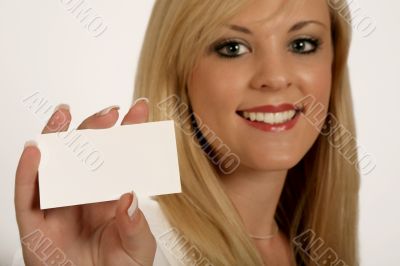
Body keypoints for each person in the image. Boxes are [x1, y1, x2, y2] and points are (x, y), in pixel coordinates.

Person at [14, 0, 360, 265]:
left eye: (301, 44)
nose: (275, 76)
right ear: (180, 74)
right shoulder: (125, 244)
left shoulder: (312, 246)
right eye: (233, 47)